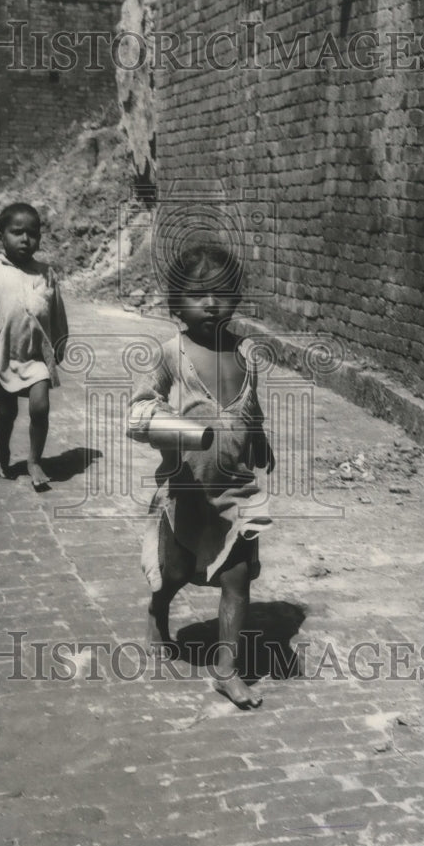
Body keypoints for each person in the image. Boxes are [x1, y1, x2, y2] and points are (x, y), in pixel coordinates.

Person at [128, 243, 274, 707]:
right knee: (175, 571)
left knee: (237, 577)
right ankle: (158, 609)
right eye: (198, 295)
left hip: (236, 488)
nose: (211, 303)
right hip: (188, 487)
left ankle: (226, 669)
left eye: (223, 293)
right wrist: (167, 425)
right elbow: (140, 408)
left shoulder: (245, 353)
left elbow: (250, 405)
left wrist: (259, 434)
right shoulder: (172, 353)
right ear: (176, 305)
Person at [0, 202, 68, 490]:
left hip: (35, 358)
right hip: (4, 356)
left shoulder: (46, 273)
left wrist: (59, 343)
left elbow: (57, 313)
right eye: (17, 232)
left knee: (40, 407)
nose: (25, 239)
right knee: (6, 413)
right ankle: (3, 454)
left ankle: (34, 459)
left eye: (32, 233)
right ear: (0, 236)